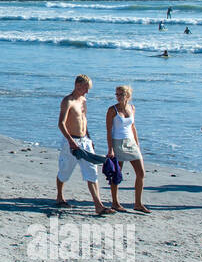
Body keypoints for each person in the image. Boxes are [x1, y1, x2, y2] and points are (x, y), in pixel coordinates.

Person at [56, 75, 108, 214]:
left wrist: (89, 139)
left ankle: (98, 205)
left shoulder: (83, 100)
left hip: (84, 141)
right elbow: (61, 124)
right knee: (64, 171)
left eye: (88, 88)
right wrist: (71, 141)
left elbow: (84, 120)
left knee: (92, 171)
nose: (87, 91)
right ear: (77, 85)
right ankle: (60, 197)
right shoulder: (68, 101)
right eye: (85, 88)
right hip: (71, 141)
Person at [105, 85, 149, 213]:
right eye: (117, 94)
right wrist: (110, 149)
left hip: (130, 143)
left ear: (127, 96)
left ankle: (138, 203)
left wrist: (137, 144)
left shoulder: (132, 108)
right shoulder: (112, 110)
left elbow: (133, 127)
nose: (118, 97)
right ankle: (115, 202)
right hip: (117, 142)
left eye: (121, 95)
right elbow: (108, 130)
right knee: (116, 174)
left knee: (141, 173)